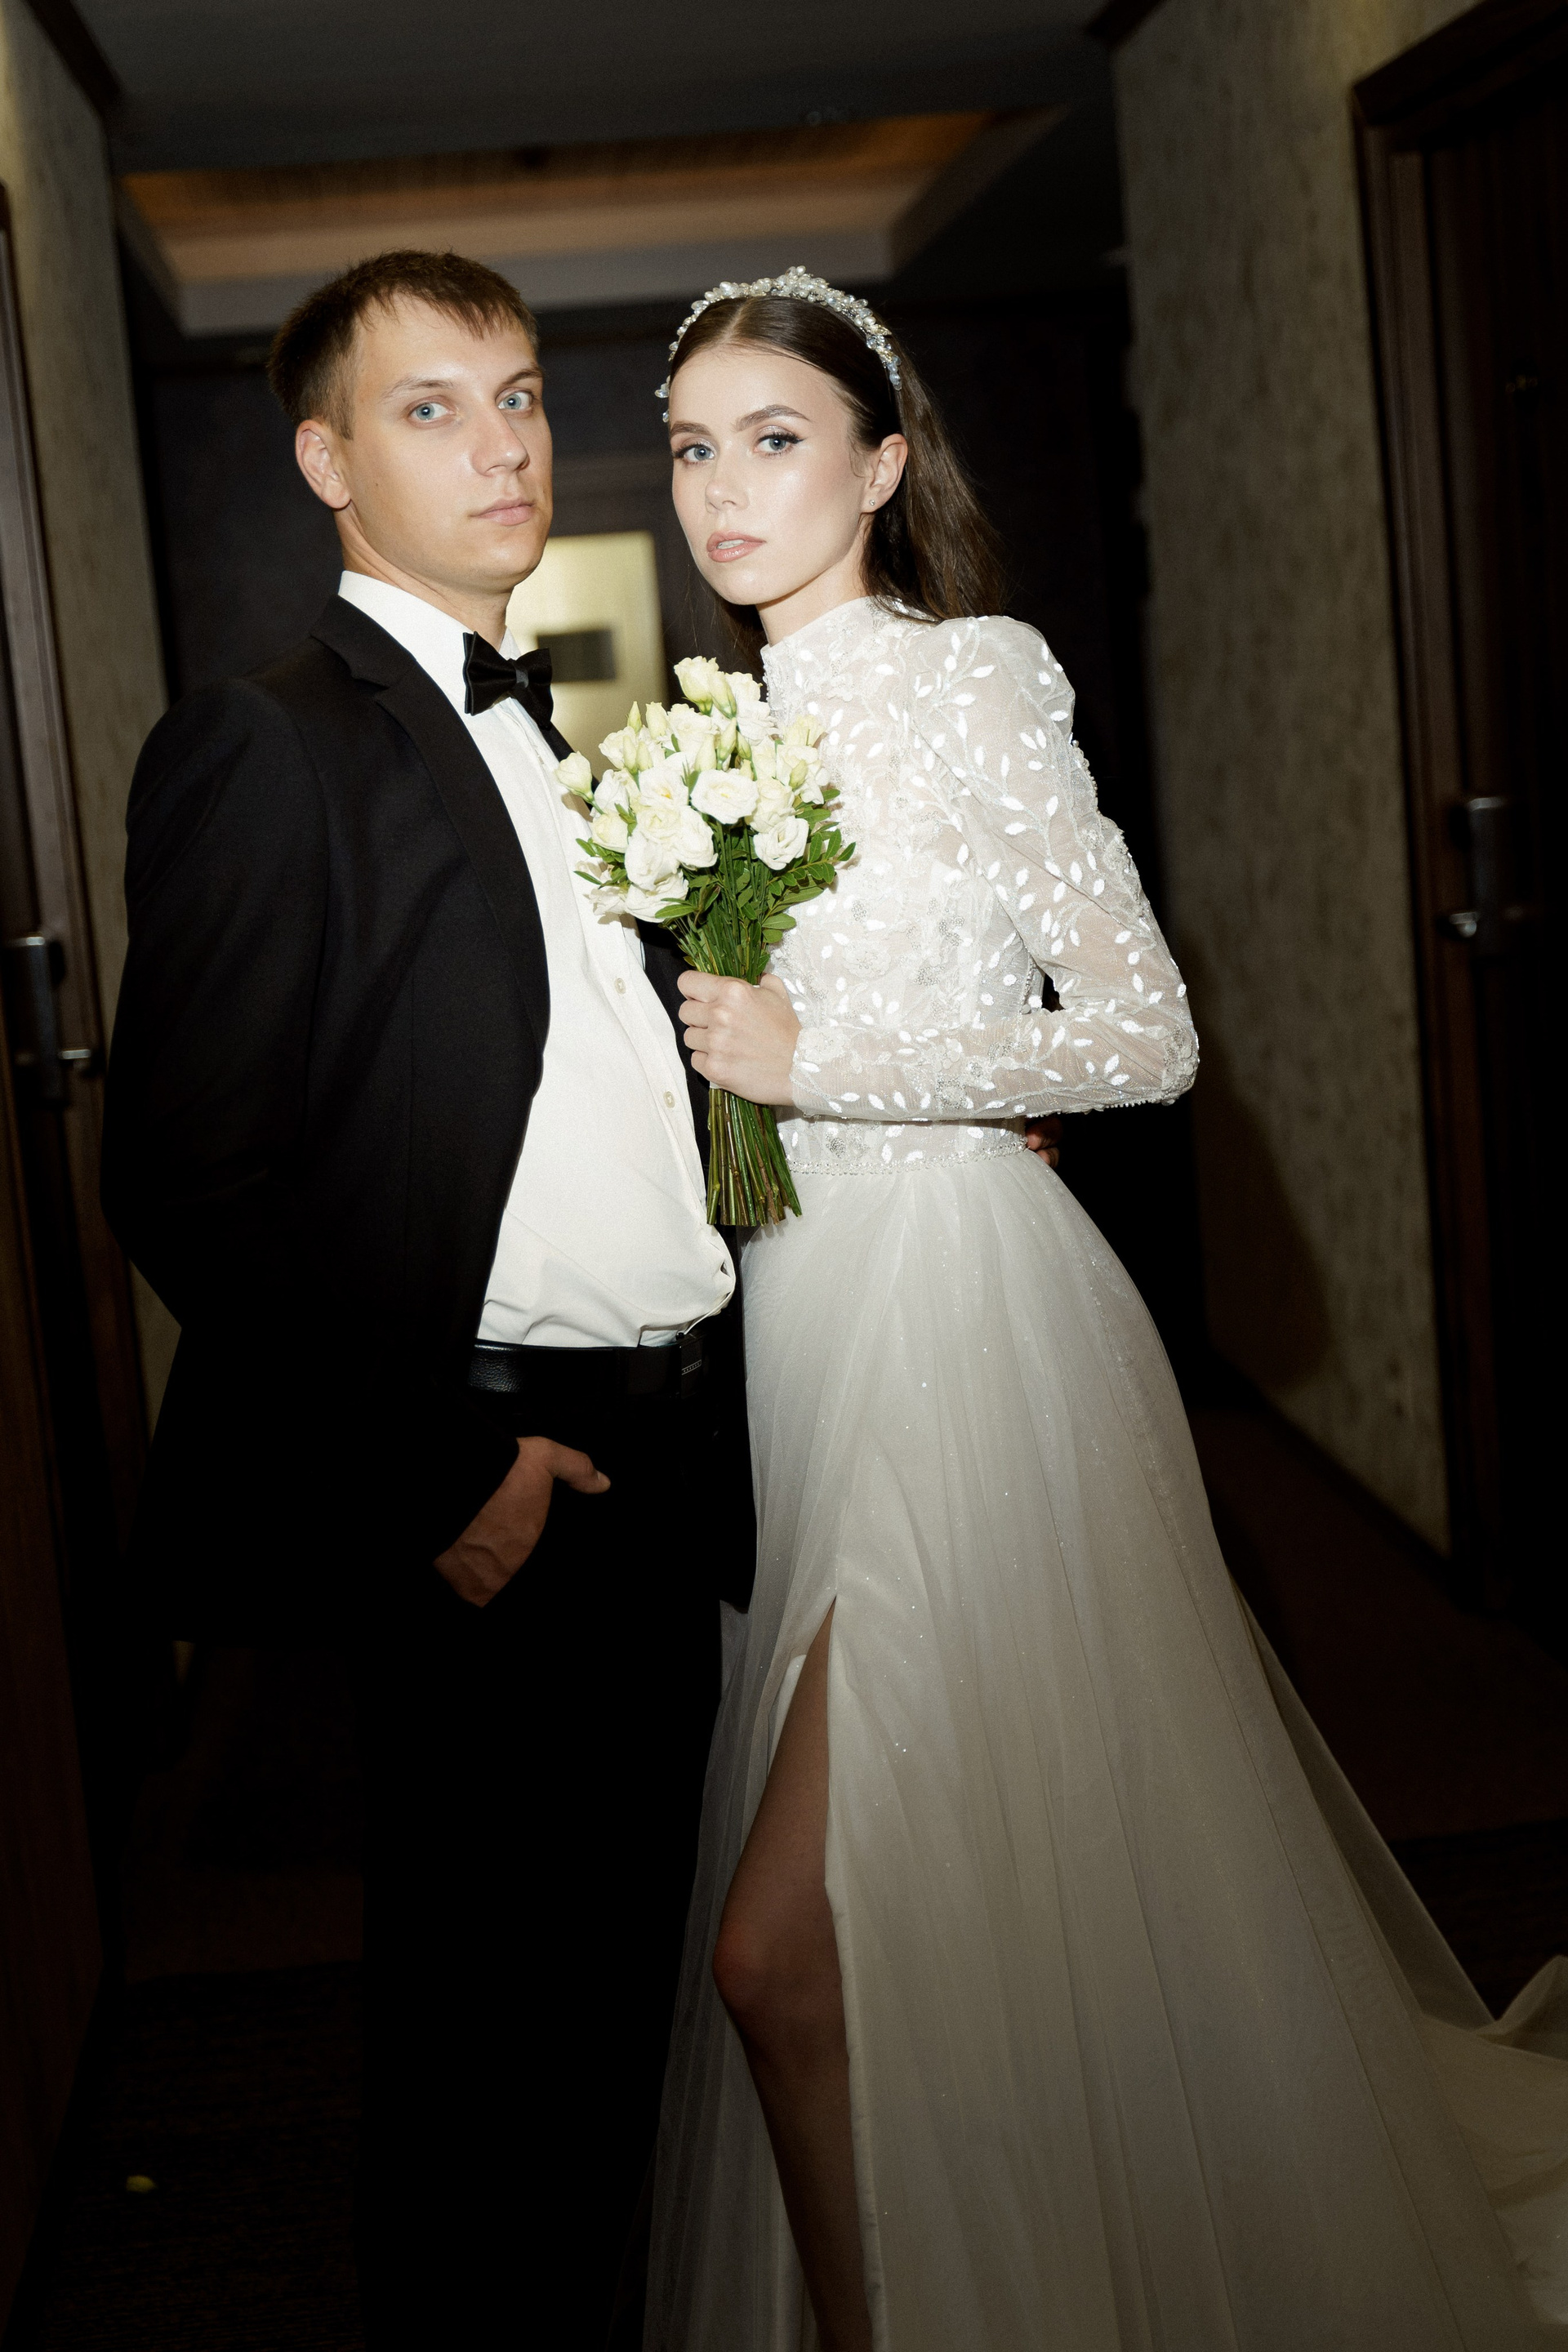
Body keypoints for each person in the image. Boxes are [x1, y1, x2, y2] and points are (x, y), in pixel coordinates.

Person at [644, 271, 1568, 2350]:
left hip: (961, 1323)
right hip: (798, 1332)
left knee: (781, 1954)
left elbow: (1145, 1034)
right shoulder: (712, 735)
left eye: (775, 439)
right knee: (951, 1903)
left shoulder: (971, 678)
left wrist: (834, 1062)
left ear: (883, 464)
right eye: (693, 446)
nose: (723, 488)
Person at [101, 248, 751, 2348]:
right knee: (496, 2047)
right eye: (430, 409)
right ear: (326, 462)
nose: (502, 446)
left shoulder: (563, 732)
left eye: (522, 397)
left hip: (674, 1450)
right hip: (498, 1474)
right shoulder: (266, 744)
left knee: (636, 2003)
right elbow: (185, 1178)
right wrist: (441, 1477)